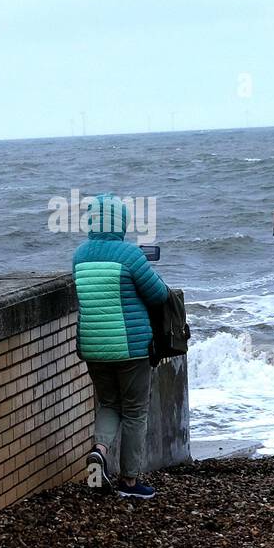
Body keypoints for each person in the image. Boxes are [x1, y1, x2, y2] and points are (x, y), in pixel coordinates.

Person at [72, 193, 170, 499]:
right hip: (131, 348)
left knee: (109, 403)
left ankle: (99, 451)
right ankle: (130, 482)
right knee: (135, 412)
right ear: (121, 221)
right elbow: (158, 295)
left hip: (93, 347)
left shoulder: (80, 255)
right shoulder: (129, 255)